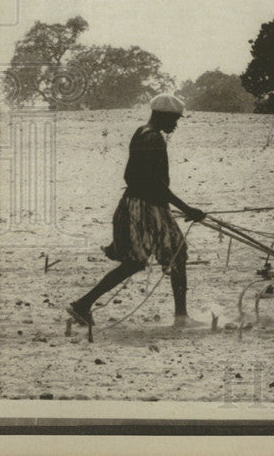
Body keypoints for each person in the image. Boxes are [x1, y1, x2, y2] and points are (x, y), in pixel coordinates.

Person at [67, 93, 207, 329]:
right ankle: (181, 317)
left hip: (139, 204)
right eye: (174, 119)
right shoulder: (154, 139)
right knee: (175, 254)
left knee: (145, 260)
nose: (175, 124)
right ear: (162, 115)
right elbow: (155, 183)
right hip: (146, 207)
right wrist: (187, 208)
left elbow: (134, 177)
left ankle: (84, 304)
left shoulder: (141, 133)